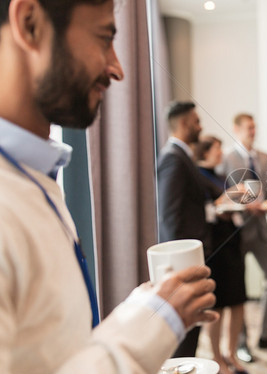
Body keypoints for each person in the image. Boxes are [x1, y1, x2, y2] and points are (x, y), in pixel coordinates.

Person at [0, 1, 218, 373]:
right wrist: (151, 325)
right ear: (30, 23)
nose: (116, 68)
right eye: (104, 38)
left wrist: (140, 315)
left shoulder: (36, 176)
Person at [220, 113, 267, 361]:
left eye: (254, 127)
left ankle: (265, 335)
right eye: (249, 128)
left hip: (261, 229)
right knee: (238, 288)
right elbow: (221, 195)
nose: (253, 131)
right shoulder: (226, 158)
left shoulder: (264, 157)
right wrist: (241, 202)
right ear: (237, 128)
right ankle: (241, 344)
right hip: (237, 232)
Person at [157, 101, 227, 358]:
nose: (200, 126)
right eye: (197, 121)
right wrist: (180, 263)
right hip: (183, 260)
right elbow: (170, 215)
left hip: (195, 254)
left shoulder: (182, 156)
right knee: (184, 330)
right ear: (185, 124)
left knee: (192, 327)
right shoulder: (172, 159)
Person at [194, 136, 248, 374]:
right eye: (217, 149)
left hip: (232, 243)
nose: (222, 153)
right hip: (214, 246)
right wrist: (229, 196)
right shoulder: (197, 176)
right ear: (206, 151)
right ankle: (217, 358)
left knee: (237, 302)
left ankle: (231, 353)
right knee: (218, 305)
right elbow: (205, 211)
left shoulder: (217, 176)